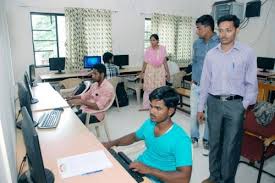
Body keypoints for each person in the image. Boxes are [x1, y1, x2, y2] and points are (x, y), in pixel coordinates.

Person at [197, 15, 258, 183]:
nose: (223, 35)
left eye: (228, 30)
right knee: (214, 143)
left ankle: (227, 180)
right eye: (221, 30)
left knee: (231, 146)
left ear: (237, 30)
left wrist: (243, 106)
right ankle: (214, 176)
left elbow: (252, 83)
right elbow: (205, 82)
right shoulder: (211, 54)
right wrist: (200, 107)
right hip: (214, 103)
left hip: (235, 105)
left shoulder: (247, 53)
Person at [103, 86, 192, 183]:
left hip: (157, 178)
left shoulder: (181, 139)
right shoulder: (149, 124)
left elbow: (184, 178)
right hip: (139, 169)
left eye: (158, 108)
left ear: (170, 111)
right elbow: (133, 137)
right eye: (151, 106)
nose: (152, 111)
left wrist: (149, 170)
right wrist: (111, 143)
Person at [190, 15, 220, 156]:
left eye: (199, 28)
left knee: (210, 115)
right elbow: (195, 62)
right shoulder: (197, 44)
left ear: (208, 27)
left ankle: (207, 139)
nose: (197, 31)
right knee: (194, 113)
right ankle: (194, 137)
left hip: (213, 87)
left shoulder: (220, 43)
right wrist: (193, 79)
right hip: (196, 85)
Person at [139, 34, 170, 111]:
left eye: (153, 40)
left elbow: (165, 62)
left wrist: (168, 73)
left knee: (160, 88)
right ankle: (146, 106)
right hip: (150, 70)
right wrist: (142, 72)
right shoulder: (148, 49)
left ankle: (159, 106)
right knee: (148, 88)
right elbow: (145, 62)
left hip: (160, 70)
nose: (152, 42)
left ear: (157, 41)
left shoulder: (162, 49)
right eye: (151, 40)